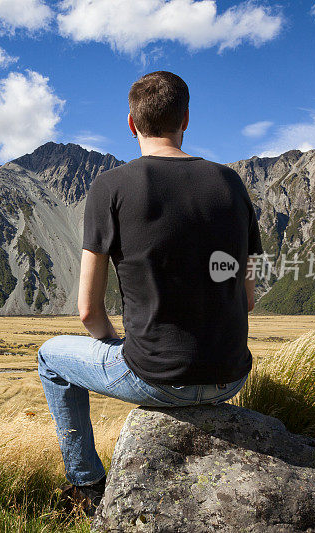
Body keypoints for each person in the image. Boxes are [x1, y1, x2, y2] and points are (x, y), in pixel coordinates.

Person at [37, 71, 263, 515]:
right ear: (186, 119)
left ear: (130, 123)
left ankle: (87, 483)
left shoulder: (110, 187)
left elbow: (87, 311)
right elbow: (249, 297)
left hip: (155, 379)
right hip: (230, 379)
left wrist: (117, 346)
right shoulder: (232, 184)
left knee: (50, 358)